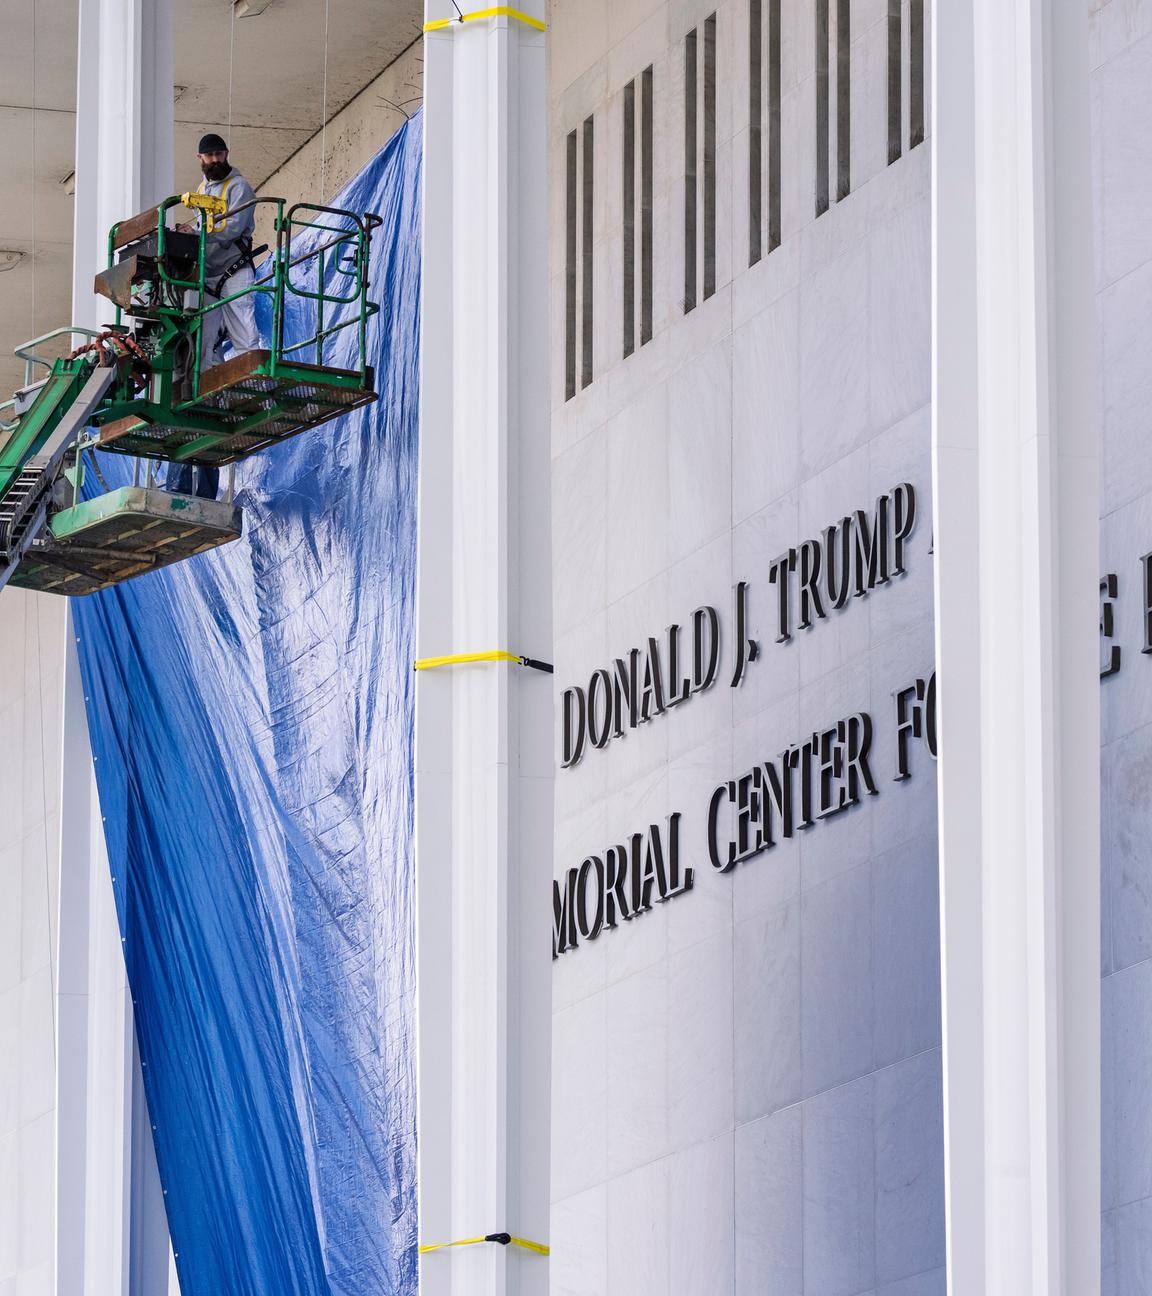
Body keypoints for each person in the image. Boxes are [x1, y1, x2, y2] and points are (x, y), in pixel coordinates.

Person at [167, 133, 261, 499]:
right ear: (200, 158)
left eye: (219, 153)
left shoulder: (239, 187)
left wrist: (196, 230)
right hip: (209, 272)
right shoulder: (200, 190)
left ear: (226, 154)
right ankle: (206, 393)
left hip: (234, 268)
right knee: (203, 339)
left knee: (244, 329)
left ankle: (252, 385)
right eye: (209, 156)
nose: (215, 159)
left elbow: (231, 229)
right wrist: (191, 231)